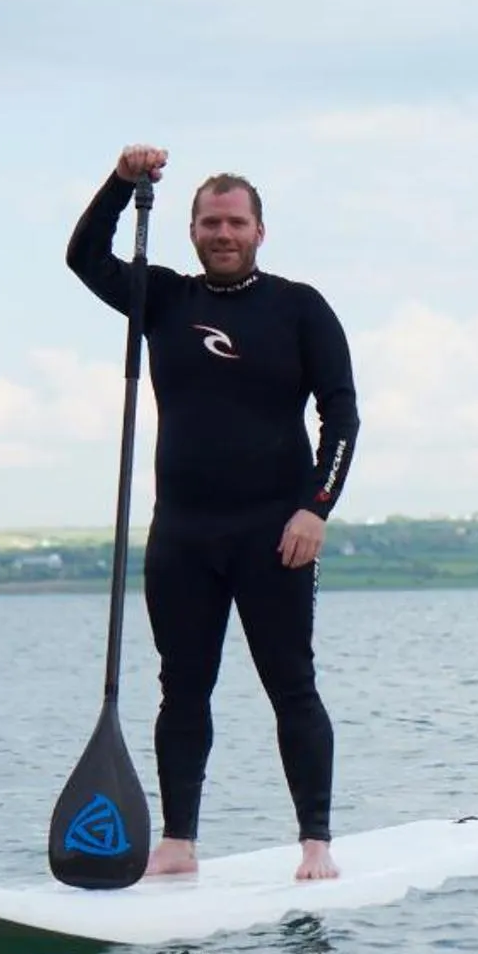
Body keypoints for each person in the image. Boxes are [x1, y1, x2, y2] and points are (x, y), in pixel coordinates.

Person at [68, 144, 360, 882]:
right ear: (191, 230)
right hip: (184, 538)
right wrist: (121, 182)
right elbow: (83, 256)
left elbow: (343, 416)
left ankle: (316, 844)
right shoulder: (163, 299)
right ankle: (178, 842)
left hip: (277, 538)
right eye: (208, 223)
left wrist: (315, 509)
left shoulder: (300, 307)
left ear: (260, 230)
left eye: (235, 222)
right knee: (182, 687)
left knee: (291, 684)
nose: (222, 234)